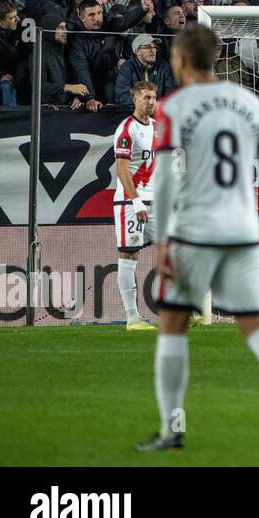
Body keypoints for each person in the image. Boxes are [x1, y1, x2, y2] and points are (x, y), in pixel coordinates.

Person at [137, 24, 259, 451]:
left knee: (173, 325)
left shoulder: (174, 106)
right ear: (213, 59)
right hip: (243, 231)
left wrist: (160, 242)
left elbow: (161, 182)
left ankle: (172, 427)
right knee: (255, 325)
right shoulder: (247, 101)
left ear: (179, 60)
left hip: (194, 233)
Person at [112, 81, 159, 332]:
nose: (151, 102)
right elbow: (121, 169)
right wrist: (136, 200)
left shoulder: (155, 127)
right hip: (131, 203)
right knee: (129, 255)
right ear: (134, 99)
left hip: (154, 201)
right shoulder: (126, 129)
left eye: (153, 97)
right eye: (146, 98)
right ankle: (132, 318)